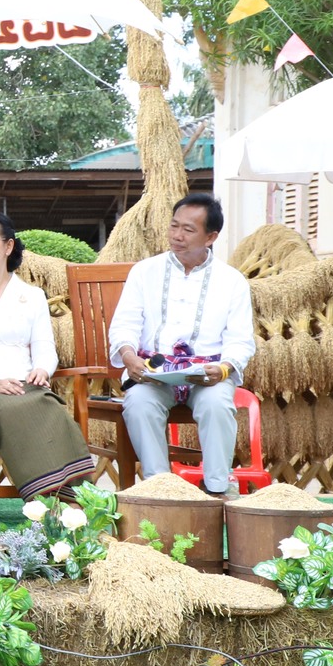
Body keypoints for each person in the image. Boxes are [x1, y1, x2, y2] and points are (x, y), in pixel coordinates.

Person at [107, 193, 256, 496]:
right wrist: (129, 355)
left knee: (217, 405)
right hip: (153, 371)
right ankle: (160, 489)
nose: (177, 235)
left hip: (208, 373)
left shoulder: (232, 281)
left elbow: (241, 340)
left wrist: (224, 369)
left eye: (188, 229)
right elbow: (124, 323)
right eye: (174, 226)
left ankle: (217, 489)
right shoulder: (144, 271)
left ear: (211, 237)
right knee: (139, 404)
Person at [0, 211, 93, 498]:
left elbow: (44, 345)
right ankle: (45, 497)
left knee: (50, 405)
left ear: (8, 246)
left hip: (23, 383)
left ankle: (76, 494)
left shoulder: (32, 295)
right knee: (14, 408)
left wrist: (43, 369)